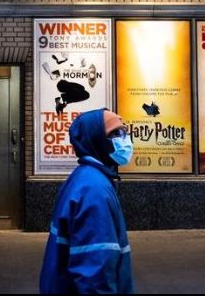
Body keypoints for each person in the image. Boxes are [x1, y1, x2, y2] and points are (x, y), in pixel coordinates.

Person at [40, 108, 135, 294]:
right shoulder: (94, 190)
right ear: (96, 138)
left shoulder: (85, 177)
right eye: (115, 133)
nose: (125, 139)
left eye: (124, 131)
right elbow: (94, 272)